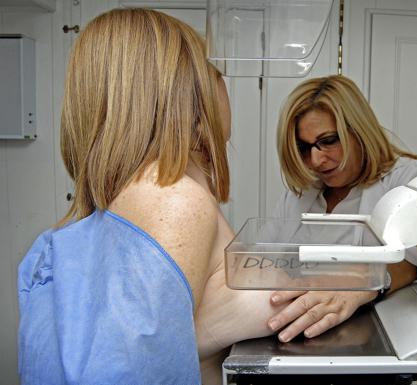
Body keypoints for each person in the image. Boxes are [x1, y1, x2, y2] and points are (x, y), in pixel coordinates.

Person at [17, 9, 284, 385]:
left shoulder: (149, 194)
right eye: (213, 72)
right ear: (182, 90)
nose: (222, 86)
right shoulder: (170, 198)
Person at [267, 75, 417, 343]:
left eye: (327, 140)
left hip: (381, 336)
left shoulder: (405, 181)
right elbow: (268, 255)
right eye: (304, 148)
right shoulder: (301, 195)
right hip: (305, 335)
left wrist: (362, 282)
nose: (316, 159)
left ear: (358, 130)